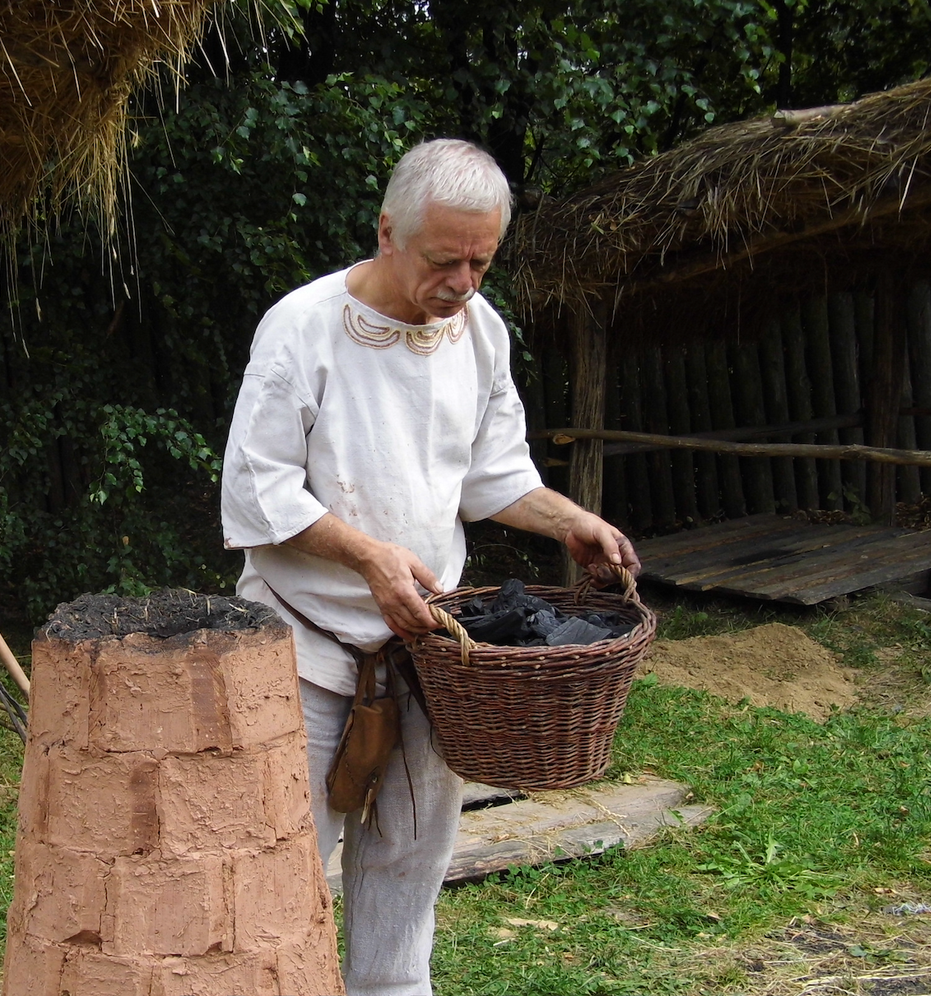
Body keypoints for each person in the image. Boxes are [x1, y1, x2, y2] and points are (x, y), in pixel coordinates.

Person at [221, 139, 640, 996]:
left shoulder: (481, 332)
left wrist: (572, 523)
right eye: (444, 260)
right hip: (304, 642)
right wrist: (369, 556)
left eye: (481, 261)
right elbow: (256, 488)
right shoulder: (301, 329)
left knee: (414, 852)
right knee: (289, 858)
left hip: (433, 646)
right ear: (386, 231)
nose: (463, 283)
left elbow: (494, 474)